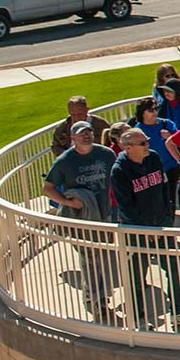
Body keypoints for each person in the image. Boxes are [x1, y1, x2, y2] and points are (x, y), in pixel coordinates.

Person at [109, 127, 180, 330]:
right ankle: (137, 316)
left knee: (174, 270)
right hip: (137, 232)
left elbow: (165, 191)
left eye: (147, 141)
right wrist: (147, 231)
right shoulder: (119, 171)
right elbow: (125, 207)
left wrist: (166, 220)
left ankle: (179, 312)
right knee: (137, 276)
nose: (148, 145)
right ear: (128, 148)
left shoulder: (153, 158)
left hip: (161, 227)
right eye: (143, 143)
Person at [43, 120, 118, 322]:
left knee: (102, 257)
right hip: (81, 218)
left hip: (105, 214)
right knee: (90, 259)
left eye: (89, 132)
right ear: (73, 138)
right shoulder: (65, 161)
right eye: (81, 133)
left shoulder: (106, 154)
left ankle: (97, 293)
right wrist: (67, 202)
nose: (86, 136)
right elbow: (48, 187)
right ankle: (96, 298)